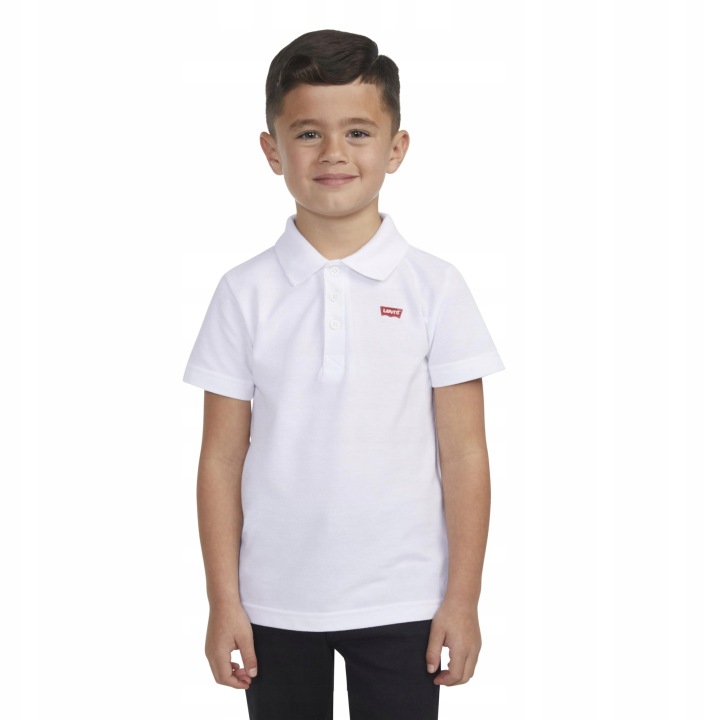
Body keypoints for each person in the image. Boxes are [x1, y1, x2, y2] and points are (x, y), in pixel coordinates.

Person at [183, 28, 505, 720]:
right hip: (273, 601)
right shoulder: (243, 292)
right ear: (273, 150)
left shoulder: (436, 288)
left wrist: (463, 599)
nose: (333, 152)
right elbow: (219, 458)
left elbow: (465, 454)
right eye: (308, 134)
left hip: (406, 599)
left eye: (358, 132)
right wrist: (222, 601)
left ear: (396, 148)